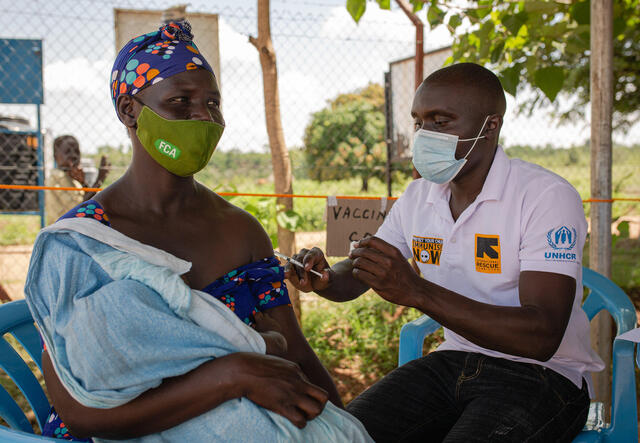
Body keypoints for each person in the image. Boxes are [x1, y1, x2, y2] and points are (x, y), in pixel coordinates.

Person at [25, 21, 370, 442]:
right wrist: (230, 376)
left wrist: (343, 428)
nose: (203, 117)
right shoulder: (83, 243)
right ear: (129, 110)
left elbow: (295, 353)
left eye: (213, 102)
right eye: (180, 101)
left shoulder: (239, 230)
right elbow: (78, 413)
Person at [286, 63, 604, 442]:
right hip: (453, 362)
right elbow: (358, 274)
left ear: (490, 126)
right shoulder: (419, 197)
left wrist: (418, 292)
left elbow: (542, 336)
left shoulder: (545, 196)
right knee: (342, 436)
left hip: (543, 376)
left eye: (441, 121)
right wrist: (325, 279)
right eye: (419, 122)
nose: (424, 135)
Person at [45, 135, 110, 224]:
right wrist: (99, 180)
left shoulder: (72, 177)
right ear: (56, 156)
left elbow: (88, 198)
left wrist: (83, 182)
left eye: (77, 152)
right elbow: (79, 209)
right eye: (68, 152)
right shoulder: (57, 177)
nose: (74, 156)